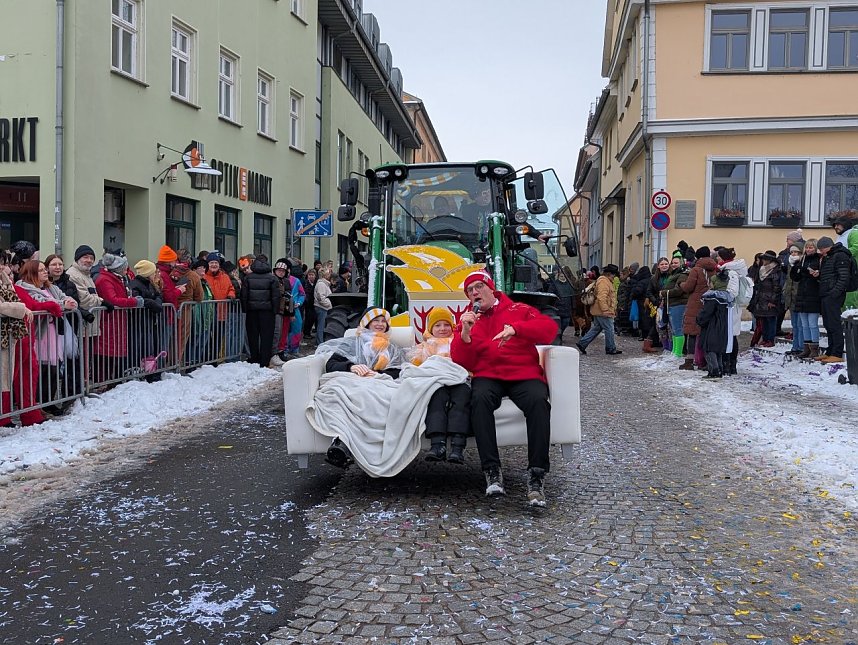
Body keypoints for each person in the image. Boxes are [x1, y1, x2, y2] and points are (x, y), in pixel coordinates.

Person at [451, 270, 558, 506]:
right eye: (470, 291)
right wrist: (465, 333)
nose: (474, 293)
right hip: (489, 375)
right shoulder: (469, 318)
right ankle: (491, 471)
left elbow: (549, 329)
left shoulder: (518, 310)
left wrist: (517, 329)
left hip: (523, 373)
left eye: (478, 287)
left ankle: (537, 474)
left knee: (538, 401)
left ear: (491, 288)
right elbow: (462, 361)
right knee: (478, 400)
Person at [320, 307, 405, 468]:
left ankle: (349, 445)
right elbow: (331, 364)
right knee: (348, 395)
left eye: (383, 321)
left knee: (375, 396)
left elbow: (400, 370)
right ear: (367, 323)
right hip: (354, 382)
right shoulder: (353, 343)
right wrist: (351, 367)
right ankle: (342, 443)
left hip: (380, 384)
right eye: (376, 320)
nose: (380, 324)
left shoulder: (391, 348)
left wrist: (379, 374)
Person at [408, 307, 470, 463]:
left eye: (446, 325)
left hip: (457, 379)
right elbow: (418, 365)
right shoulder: (426, 346)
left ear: (452, 326)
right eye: (438, 325)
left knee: (462, 397)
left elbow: (466, 361)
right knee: (435, 398)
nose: (442, 329)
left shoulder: (458, 341)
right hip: (435, 380)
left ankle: (458, 445)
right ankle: (437, 444)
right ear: (431, 328)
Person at [15, 260, 79, 409]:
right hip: (40, 333)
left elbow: (64, 298)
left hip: (54, 332)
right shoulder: (25, 287)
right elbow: (41, 302)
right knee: (41, 369)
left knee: (54, 367)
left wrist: (67, 301)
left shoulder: (51, 287)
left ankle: (49, 401)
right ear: (32, 273)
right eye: (41, 270)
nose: (45, 272)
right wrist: (62, 305)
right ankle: (40, 403)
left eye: (45, 269)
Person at [94, 253, 144, 382]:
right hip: (108, 322)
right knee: (105, 355)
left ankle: (110, 381)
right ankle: (103, 382)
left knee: (112, 353)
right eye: (124, 267)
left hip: (115, 322)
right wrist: (133, 302)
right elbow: (112, 299)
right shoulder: (105, 280)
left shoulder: (115, 279)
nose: (126, 270)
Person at [0, 255, 35, 427]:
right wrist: (22, 309)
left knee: (5, 377)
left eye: (3, 263)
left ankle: (4, 416)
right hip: (4, 334)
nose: (1, 267)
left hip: (7, 335)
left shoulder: (6, 281)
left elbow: (12, 301)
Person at [815, 236, 852, 363]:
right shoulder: (828, 257)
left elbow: (843, 277)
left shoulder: (840, 256)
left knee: (834, 324)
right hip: (826, 294)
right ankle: (830, 351)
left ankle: (837, 353)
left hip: (833, 295)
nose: (821, 252)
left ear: (828, 246)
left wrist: (834, 293)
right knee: (828, 323)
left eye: (822, 249)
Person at [240, 255, 280, 368]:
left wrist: (245, 309)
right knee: (266, 337)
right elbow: (276, 296)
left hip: (252, 311)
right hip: (267, 312)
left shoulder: (248, 278)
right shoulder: (272, 278)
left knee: (252, 336)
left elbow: (244, 296)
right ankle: (264, 360)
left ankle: (254, 358)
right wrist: (275, 310)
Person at [716, 247, 750, 375]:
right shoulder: (729, 269)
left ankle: (729, 365)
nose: (717, 259)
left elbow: (732, 292)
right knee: (729, 336)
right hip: (730, 307)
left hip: (731, 307)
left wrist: (719, 295)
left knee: (730, 336)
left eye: (719, 256)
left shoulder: (731, 272)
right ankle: (728, 364)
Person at [696, 267, 733, 379]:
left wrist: (699, 320)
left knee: (709, 348)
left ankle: (714, 370)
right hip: (723, 327)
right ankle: (720, 368)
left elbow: (706, 313)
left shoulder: (712, 298)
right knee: (718, 349)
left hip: (712, 327)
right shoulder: (727, 298)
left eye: (711, 282)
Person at [576, 264, 622, 356]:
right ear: (610, 274)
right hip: (603, 311)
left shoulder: (603, 280)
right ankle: (610, 348)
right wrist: (605, 310)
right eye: (614, 275)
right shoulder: (604, 282)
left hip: (599, 310)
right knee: (609, 328)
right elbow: (602, 297)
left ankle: (582, 343)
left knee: (596, 328)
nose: (614, 277)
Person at [789, 239, 821, 359]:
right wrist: (794, 268)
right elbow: (796, 278)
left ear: (815, 248)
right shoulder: (802, 260)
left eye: (811, 247)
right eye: (807, 247)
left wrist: (813, 273)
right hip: (802, 294)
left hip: (813, 295)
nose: (808, 250)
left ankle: (814, 348)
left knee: (812, 324)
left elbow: (819, 276)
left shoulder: (818, 259)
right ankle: (806, 347)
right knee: (804, 324)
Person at [204, 251, 236, 360]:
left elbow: (231, 288)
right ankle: (205, 358)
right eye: (211, 263)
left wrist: (231, 295)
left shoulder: (225, 277)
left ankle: (214, 359)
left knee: (218, 337)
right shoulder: (204, 276)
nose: (214, 265)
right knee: (206, 337)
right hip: (207, 313)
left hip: (221, 312)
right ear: (208, 264)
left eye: (216, 263)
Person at [749, 251, 782, 348]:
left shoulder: (775, 270)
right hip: (761, 299)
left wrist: (773, 301)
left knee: (771, 320)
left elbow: (776, 287)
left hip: (770, 299)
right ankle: (765, 339)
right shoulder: (761, 269)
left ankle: (770, 339)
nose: (763, 261)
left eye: (765, 259)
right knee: (763, 320)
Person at [831, 215, 858, 309]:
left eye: (838, 225)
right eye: (835, 225)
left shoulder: (853, 233)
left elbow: (856, 247)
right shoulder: (840, 237)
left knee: (851, 298)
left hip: (853, 271)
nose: (836, 227)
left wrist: (842, 256)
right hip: (844, 271)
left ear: (845, 225)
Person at [783, 242, 805, 354]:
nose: (793, 254)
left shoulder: (803, 263)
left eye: (796, 252)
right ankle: (795, 346)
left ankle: (801, 347)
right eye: (792, 252)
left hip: (800, 298)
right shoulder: (790, 264)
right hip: (791, 298)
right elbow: (788, 281)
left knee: (800, 325)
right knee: (794, 325)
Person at [314, 266, 333, 345]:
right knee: (321, 326)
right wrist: (329, 304)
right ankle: (320, 342)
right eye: (328, 273)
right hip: (322, 307)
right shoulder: (321, 284)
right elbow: (321, 298)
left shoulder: (324, 284)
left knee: (321, 325)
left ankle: (319, 341)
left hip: (323, 307)